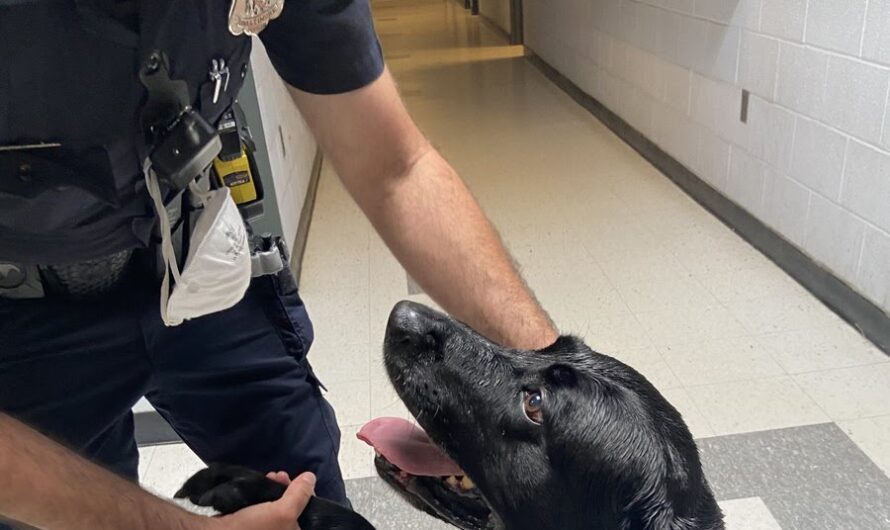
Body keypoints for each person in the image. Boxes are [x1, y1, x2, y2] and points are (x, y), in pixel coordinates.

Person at [0, 1, 558, 529]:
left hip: (199, 261)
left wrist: (555, 384)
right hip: (22, 321)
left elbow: (397, 167)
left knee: (307, 494)